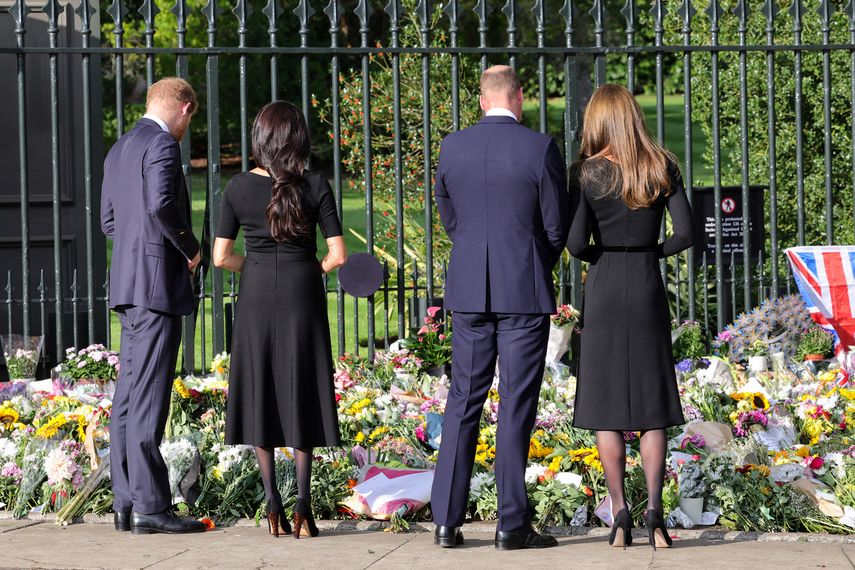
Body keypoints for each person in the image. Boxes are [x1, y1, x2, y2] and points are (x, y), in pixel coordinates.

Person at [430, 65, 570, 550]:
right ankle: (511, 523)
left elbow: (449, 215)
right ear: (519, 96)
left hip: (469, 289)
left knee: (462, 402)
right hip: (522, 292)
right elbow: (556, 226)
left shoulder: (452, 147)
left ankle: (446, 522)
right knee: (515, 405)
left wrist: (475, 251)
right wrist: (530, 261)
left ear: (481, 100)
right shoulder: (540, 147)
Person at [567, 83, 694, 550]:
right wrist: (650, 251)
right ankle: (656, 516)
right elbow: (686, 233)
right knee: (652, 405)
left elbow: (575, 243)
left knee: (606, 405)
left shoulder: (585, 173)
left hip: (604, 286)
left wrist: (603, 254)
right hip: (645, 285)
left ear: (597, 121)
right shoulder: (661, 165)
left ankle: (621, 514)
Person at [213, 101, 347, 539]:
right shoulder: (315, 185)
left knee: (260, 387)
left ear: (260, 139)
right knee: (302, 385)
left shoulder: (237, 187)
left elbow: (220, 257)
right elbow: (338, 255)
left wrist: (253, 267)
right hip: (302, 293)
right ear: (298, 139)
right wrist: (310, 270)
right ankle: (303, 506)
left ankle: (272, 502)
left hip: (255, 296)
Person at [101, 77, 206, 534]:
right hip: (156, 288)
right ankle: (150, 506)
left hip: (128, 287)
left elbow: (109, 222)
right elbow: (163, 203)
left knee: (128, 395)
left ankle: (125, 501)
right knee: (148, 398)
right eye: (190, 119)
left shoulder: (119, 148)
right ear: (184, 107)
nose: (187, 128)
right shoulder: (162, 144)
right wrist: (190, 249)